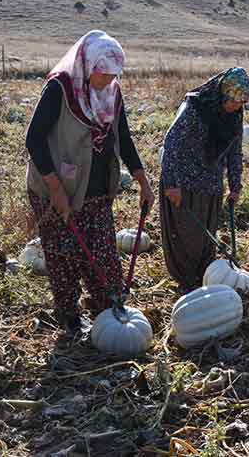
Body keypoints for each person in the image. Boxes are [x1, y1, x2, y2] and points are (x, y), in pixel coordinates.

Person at [25, 30, 154, 333]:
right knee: (64, 256)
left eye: (113, 76)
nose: (108, 82)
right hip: (57, 187)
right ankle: (69, 317)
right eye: (102, 75)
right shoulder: (61, 88)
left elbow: (123, 135)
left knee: (104, 254)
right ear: (87, 66)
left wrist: (142, 179)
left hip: (96, 188)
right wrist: (56, 190)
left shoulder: (112, 92)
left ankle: (106, 313)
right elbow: (34, 140)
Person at [159, 67, 249, 291]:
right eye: (232, 101)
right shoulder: (195, 108)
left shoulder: (235, 115)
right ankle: (186, 282)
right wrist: (171, 184)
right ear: (222, 94)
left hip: (210, 184)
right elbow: (171, 142)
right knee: (185, 237)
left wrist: (235, 185)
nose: (236, 107)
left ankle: (201, 280)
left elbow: (234, 151)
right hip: (182, 182)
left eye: (241, 103)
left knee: (204, 239)